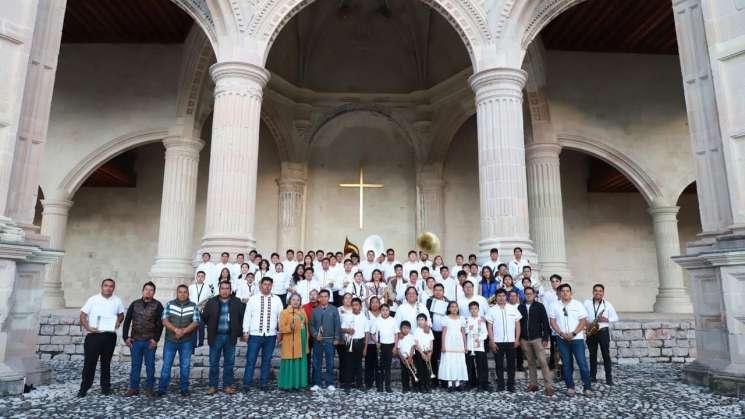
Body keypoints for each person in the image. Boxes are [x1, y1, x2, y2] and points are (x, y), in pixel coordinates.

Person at [78, 278, 125, 397]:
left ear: (113, 288)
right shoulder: (93, 299)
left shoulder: (117, 300)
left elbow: (121, 315)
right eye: (106, 285)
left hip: (109, 336)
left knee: (106, 363)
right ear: (101, 287)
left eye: (111, 286)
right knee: (89, 363)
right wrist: (88, 327)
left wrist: (118, 322)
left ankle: (105, 387)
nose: (108, 288)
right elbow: (83, 315)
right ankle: (84, 387)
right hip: (94, 335)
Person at [203, 281, 246, 395]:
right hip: (215, 336)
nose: (225, 291)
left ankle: (227, 385)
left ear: (230, 289)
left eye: (227, 288)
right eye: (222, 288)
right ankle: (213, 386)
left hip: (230, 337)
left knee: (229, 363)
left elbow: (241, 318)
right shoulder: (212, 302)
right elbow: (205, 317)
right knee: (213, 363)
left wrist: (239, 332)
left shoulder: (236, 302)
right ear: (219, 289)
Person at [549, 283, 592, 396]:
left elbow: (583, 321)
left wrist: (573, 333)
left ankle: (587, 387)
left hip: (576, 339)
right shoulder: (554, 305)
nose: (565, 293)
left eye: (567, 291)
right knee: (567, 364)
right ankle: (570, 387)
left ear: (571, 293)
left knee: (582, 363)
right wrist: (561, 333)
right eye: (562, 291)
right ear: (559, 293)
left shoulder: (578, 304)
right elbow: (552, 321)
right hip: (562, 339)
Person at [242, 277, 283, 392]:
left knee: (267, 360)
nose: (267, 286)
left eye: (269, 284)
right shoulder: (253, 299)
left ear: (272, 286)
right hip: (255, 335)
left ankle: (263, 384)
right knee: (251, 360)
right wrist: (246, 331)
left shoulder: (277, 300)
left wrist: (280, 332)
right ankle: (246, 384)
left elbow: (281, 317)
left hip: (270, 335)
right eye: (265, 284)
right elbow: (247, 316)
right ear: (260, 285)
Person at [158, 284, 200, 397]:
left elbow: (196, 321)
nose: (182, 294)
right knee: (166, 365)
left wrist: (183, 331)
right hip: (170, 340)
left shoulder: (193, 306)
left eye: (185, 292)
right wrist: (176, 330)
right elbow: (164, 320)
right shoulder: (170, 304)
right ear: (177, 293)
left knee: (185, 365)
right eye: (180, 292)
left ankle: (184, 388)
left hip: (186, 341)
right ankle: (162, 389)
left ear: (188, 293)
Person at [122, 281, 164, 397]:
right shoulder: (134, 304)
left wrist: (155, 339)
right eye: (146, 289)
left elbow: (161, 324)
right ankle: (133, 388)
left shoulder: (158, 305)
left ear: (154, 292)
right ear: (142, 290)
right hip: (135, 341)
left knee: (150, 366)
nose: (148, 292)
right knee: (135, 365)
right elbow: (127, 321)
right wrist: (126, 337)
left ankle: (149, 388)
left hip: (149, 341)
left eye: (151, 290)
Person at [518, 286, 555, 396]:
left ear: (534, 295)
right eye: (526, 293)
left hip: (537, 338)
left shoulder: (540, 306)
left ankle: (548, 386)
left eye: (530, 293)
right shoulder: (520, 307)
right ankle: (533, 384)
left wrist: (545, 337)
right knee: (530, 363)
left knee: (543, 362)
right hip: (524, 339)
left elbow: (545, 322)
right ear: (524, 295)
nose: (528, 295)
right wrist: (519, 338)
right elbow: (518, 323)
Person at [486, 289, 521, 392]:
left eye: (503, 296)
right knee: (499, 364)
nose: (501, 298)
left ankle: (511, 385)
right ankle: (500, 384)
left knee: (511, 364)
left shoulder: (513, 309)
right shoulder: (491, 310)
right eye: (499, 296)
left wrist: (517, 339)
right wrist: (491, 341)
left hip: (511, 341)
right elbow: (489, 327)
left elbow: (517, 325)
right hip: (497, 341)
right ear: (495, 298)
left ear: (506, 297)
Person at [584, 283, 619, 385]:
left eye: (600, 291)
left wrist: (606, 319)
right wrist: (588, 323)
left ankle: (609, 378)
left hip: (603, 331)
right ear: (593, 292)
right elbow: (582, 315)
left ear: (603, 293)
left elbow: (616, 318)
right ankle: (592, 376)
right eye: (596, 290)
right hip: (591, 331)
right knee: (592, 355)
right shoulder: (587, 303)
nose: (598, 292)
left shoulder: (607, 304)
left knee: (606, 355)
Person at [310, 290, 342, 391]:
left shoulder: (334, 309)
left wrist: (337, 338)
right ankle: (317, 383)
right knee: (317, 362)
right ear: (319, 298)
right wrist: (315, 335)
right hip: (318, 341)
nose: (324, 298)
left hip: (330, 340)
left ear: (329, 298)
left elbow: (337, 324)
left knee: (330, 362)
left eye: (326, 296)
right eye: (322, 296)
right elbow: (311, 325)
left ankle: (330, 383)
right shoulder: (315, 310)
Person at [278, 293, 309, 391]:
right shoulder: (284, 312)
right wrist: (289, 327)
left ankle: (299, 384)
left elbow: (305, 325)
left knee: (300, 362)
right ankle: (288, 385)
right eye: (293, 300)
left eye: (298, 300)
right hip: (290, 341)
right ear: (289, 301)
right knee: (290, 362)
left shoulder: (302, 311)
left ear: (300, 302)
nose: (296, 302)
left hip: (302, 339)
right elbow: (281, 328)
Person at [438, 301, 469, 391]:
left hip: (459, 343)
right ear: (448, 308)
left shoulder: (462, 318)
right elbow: (443, 333)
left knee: (458, 361)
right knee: (449, 362)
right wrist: (443, 345)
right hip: (449, 342)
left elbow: (463, 333)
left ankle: (458, 383)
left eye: (456, 306)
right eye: (452, 306)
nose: (454, 308)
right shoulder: (446, 318)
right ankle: (450, 384)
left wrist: (465, 345)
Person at [340, 297, 368, 392]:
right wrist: (347, 330)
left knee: (358, 364)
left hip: (360, 341)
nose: (355, 307)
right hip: (349, 341)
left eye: (357, 305)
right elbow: (341, 329)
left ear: (360, 306)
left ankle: (359, 384)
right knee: (349, 363)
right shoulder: (347, 316)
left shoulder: (364, 317)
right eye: (353, 305)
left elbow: (367, 333)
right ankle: (348, 385)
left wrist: (365, 347)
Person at [426, 283, 448, 387]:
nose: (438, 292)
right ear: (433, 291)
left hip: (445, 333)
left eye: (440, 290)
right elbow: (427, 316)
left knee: (444, 357)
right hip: (433, 332)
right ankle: (434, 380)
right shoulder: (429, 301)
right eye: (436, 290)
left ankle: (444, 380)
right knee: (433, 357)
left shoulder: (448, 302)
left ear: (444, 292)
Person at [464, 301, 489, 392]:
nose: (474, 310)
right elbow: (464, 331)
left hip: (479, 346)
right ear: (469, 310)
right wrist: (468, 330)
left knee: (481, 366)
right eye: (472, 309)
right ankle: (470, 383)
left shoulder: (481, 320)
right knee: (469, 366)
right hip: (470, 345)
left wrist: (480, 339)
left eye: (475, 308)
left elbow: (485, 333)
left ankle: (482, 384)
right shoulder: (467, 319)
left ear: (478, 310)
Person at [541, 274, 562, 376]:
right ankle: (553, 364)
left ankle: (563, 365)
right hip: (552, 323)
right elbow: (545, 309)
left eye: (557, 281)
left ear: (560, 282)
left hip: (563, 324)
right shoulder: (547, 294)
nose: (555, 283)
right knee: (554, 345)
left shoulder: (564, 292)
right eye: (553, 281)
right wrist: (549, 324)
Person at [375, 303, 397, 392]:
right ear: (380, 311)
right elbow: (373, 333)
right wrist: (376, 342)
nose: (385, 312)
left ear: (389, 311)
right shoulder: (377, 320)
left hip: (390, 345)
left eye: (386, 310)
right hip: (380, 345)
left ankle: (388, 386)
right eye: (383, 310)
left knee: (388, 367)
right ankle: (380, 386)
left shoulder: (393, 320)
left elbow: (396, 334)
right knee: (380, 367)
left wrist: (395, 346)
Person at [189, 270, 213, 350]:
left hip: (202, 310)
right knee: (193, 328)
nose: (200, 278)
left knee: (201, 327)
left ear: (204, 278)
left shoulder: (207, 287)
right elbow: (188, 298)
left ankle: (201, 344)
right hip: (193, 310)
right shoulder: (191, 287)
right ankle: (193, 346)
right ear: (196, 277)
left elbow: (209, 299)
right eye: (199, 276)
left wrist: (203, 305)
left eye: (202, 276)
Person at [364, 296, 382, 390]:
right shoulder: (366, 313)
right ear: (370, 304)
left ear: (379, 304)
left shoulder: (383, 313)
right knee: (369, 364)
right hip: (370, 343)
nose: (375, 304)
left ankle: (379, 383)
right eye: (372, 302)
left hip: (381, 343)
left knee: (379, 365)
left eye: (376, 302)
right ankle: (369, 383)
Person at [413, 313, 435, 392]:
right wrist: (422, 353)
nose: (420, 321)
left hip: (428, 352)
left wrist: (430, 353)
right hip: (420, 353)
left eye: (422, 319)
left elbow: (431, 342)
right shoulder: (416, 331)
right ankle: (421, 386)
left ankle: (427, 385)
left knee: (427, 370)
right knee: (421, 369)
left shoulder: (429, 330)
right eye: (418, 320)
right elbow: (416, 344)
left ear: (426, 321)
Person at [397, 320, 417, 393]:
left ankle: (414, 386)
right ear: (401, 329)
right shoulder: (399, 338)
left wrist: (410, 357)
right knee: (404, 373)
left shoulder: (411, 336)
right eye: (404, 328)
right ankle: (405, 387)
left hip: (411, 357)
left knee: (413, 372)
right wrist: (402, 358)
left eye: (407, 328)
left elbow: (413, 347)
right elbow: (398, 349)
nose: (406, 329)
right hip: (403, 358)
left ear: (410, 329)